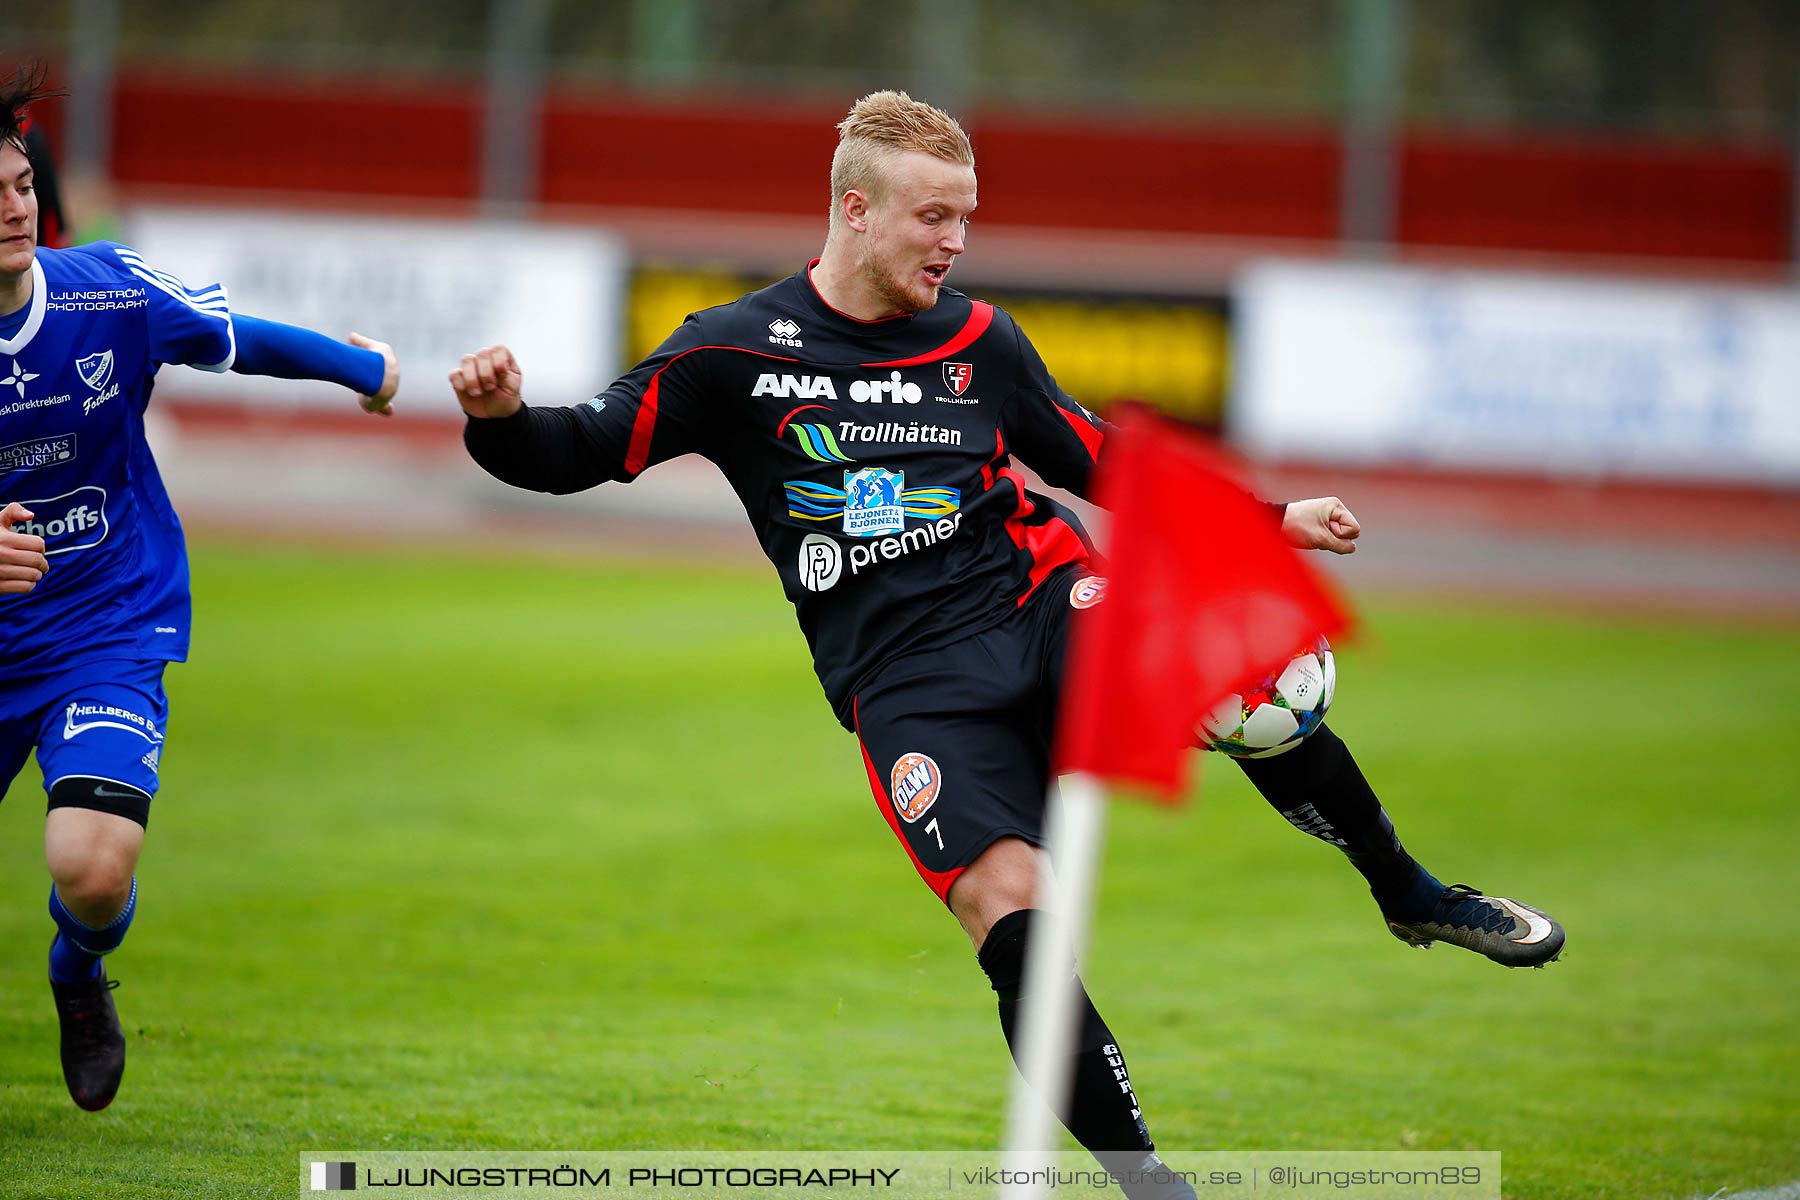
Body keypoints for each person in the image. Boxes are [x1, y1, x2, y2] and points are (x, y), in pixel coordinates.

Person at [453, 91, 1563, 1196]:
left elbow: (1091, 453)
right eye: (933, 217)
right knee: (1012, 915)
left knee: (1242, 672)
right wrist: (500, 416)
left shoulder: (981, 339)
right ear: (857, 211)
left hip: (1041, 601)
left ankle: (1410, 890)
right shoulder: (730, 352)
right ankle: (1149, 1184)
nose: (956, 242)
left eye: (965, 218)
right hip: (905, 684)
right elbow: (574, 450)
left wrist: (1269, 521)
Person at [0, 66, 400, 1112]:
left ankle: (77, 973)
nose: (9, 205)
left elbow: (239, 340)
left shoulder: (104, 292)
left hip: (103, 624)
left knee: (93, 863)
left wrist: (362, 371)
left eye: (17, 183)